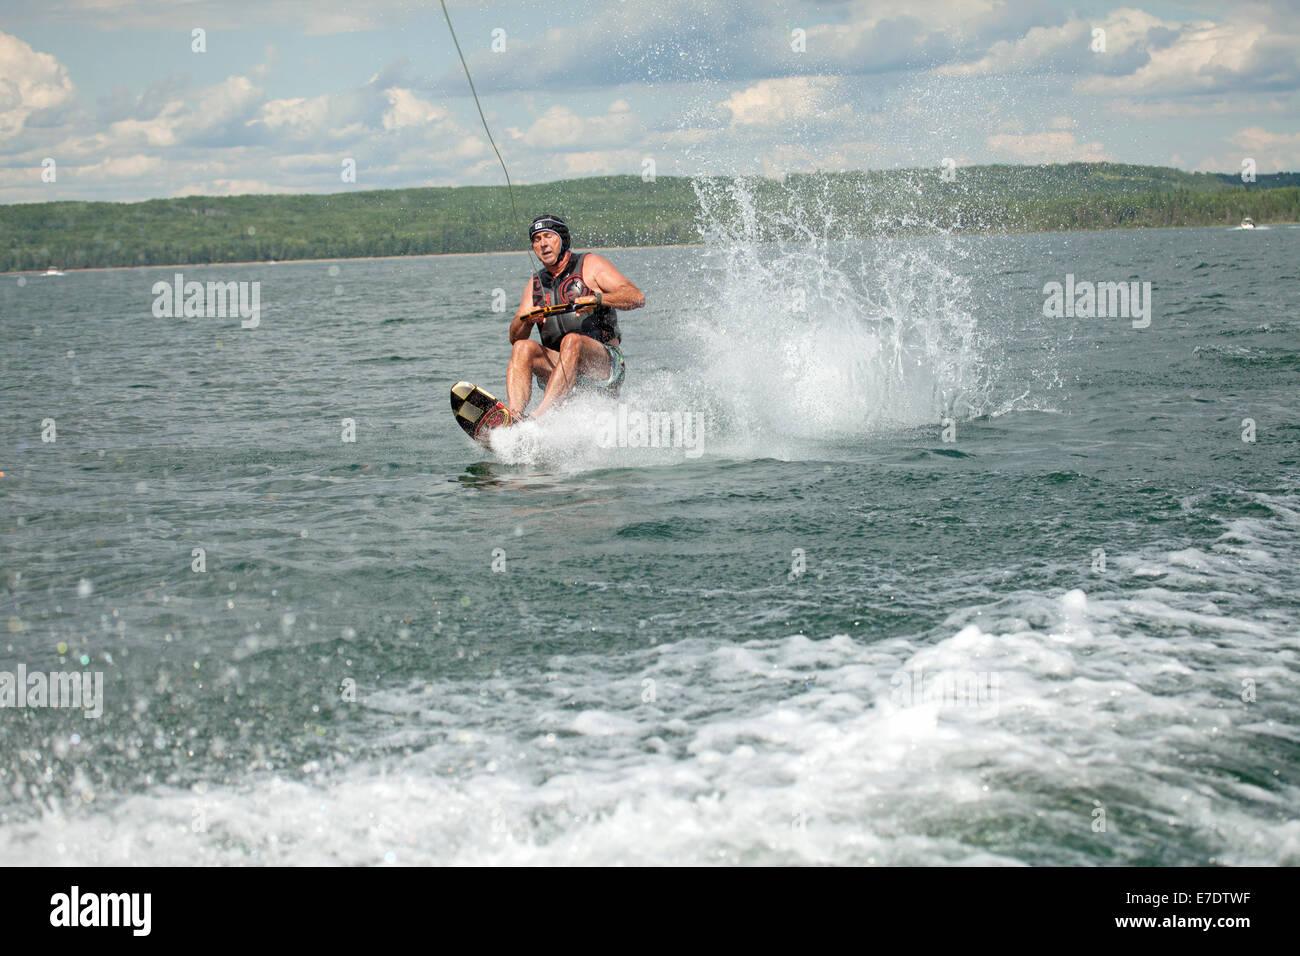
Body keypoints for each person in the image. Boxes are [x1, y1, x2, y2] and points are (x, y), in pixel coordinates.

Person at [505, 215, 645, 420]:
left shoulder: (590, 264)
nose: (543, 244)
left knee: (572, 341)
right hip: (560, 370)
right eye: (536, 240)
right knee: (522, 348)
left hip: (603, 365)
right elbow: (515, 338)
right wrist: (525, 320)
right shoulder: (536, 283)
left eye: (548, 236)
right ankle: (514, 417)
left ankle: (538, 419)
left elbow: (636, 297)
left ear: (562, 240)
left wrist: (597, 299)